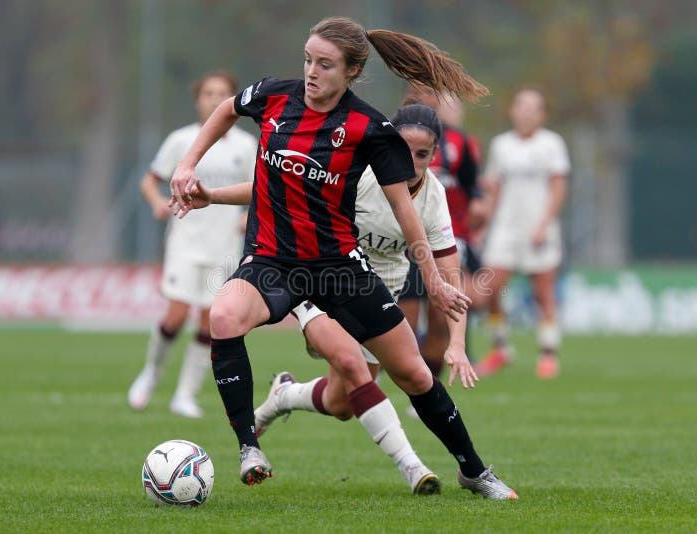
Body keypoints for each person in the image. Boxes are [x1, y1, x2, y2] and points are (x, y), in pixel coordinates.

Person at [170, 17, 517, 500]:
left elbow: (404, 207)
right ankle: (250, 448)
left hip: (339, 270)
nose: (311, 72)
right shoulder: (273, 97)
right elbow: (227, 110)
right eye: (308, 59)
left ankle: (474, 471)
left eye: (325, 64)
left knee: (413, 374)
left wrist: (435, 281)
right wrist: (188, 166)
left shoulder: (370, 128)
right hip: (272, 262)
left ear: (352, 71)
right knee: (224, 314)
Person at [196, 104, 480, 495]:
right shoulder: (359, 173)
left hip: (374, 296)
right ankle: (413, 467)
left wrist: (459, 344)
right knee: (352, 365)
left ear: (435, 156)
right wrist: (212, 195)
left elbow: (451, 276)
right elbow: (268, 187)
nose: (411, 162)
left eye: (422, 154)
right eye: (403, 150)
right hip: (318, 276)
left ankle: (284, 395)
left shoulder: (433, 198)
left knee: (342, 403)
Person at [127, 70, 258, 418]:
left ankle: (185, 395)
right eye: (208, 93)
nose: (215, 100)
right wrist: (156, 202)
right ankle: (151, 373)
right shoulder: (181, 140)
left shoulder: (246, 146)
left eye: (223, 94)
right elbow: (149, 180)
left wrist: (249, 218)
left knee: (208, 322)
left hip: (224, 246)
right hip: (185, 242)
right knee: (175, 316)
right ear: (197, 99)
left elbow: (261, 189)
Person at [473, 88, 570, 379]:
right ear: (513, 111)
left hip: (538, 228)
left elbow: (558, 187)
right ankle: (501, 347)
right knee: (491, 289)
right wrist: (484, 227)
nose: (526, 112)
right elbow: (495, 189)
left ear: (542, 114)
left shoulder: (552, 144)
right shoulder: (502, 146)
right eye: (521, 105)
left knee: (543, 293)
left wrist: (544, 224)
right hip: (506, 229)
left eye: (533, 107)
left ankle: (548, 354)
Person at [397, 86, 485, 401]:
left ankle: (426, 391)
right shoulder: (390, 138)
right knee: (402, 328)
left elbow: (474, 187)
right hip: (400, 246)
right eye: (416, 90)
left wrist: (477, 204)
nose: (424, 97)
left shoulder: (460, 142)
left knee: (440, 319)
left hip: (446, 238)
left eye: (430, 91)